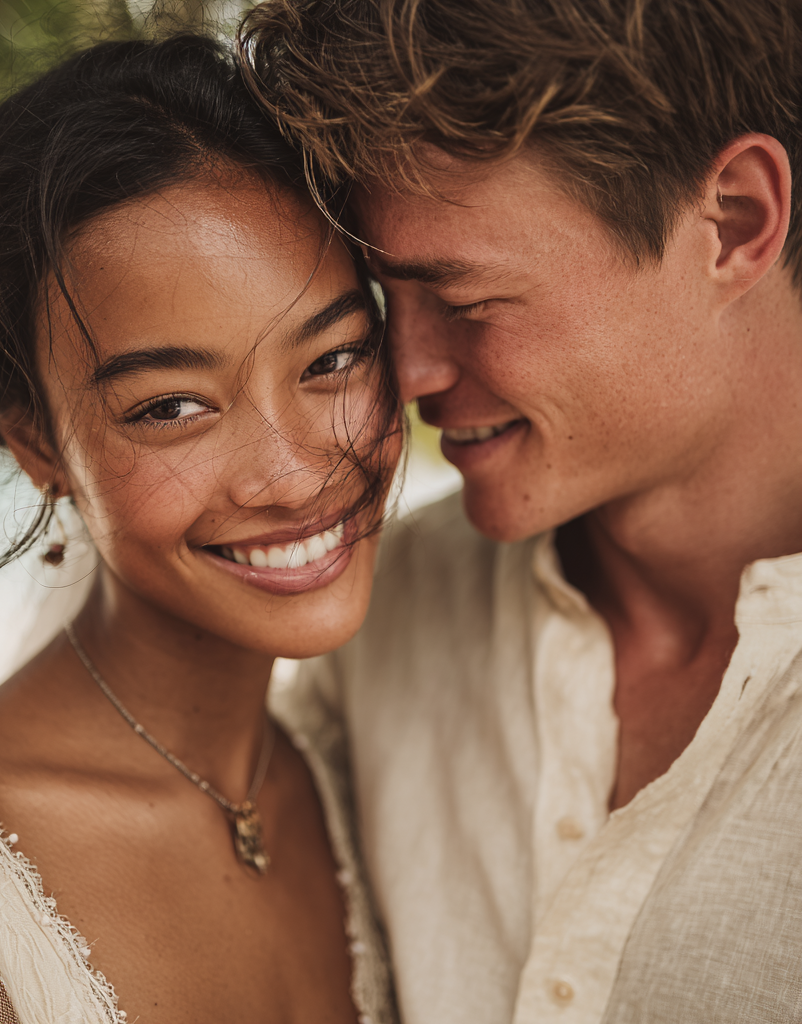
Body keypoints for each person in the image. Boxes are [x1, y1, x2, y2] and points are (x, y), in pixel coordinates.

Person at [0, 36, 402, 1024]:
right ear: (40, 447)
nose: (292, 477)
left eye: (332, 360)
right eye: (172, 407)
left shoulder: (355, 793)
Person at [239, 1, 802, 1022]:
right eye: (383, 303)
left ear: (733, 221)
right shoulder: (381, 612)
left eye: (466, 303)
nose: (406, 373)